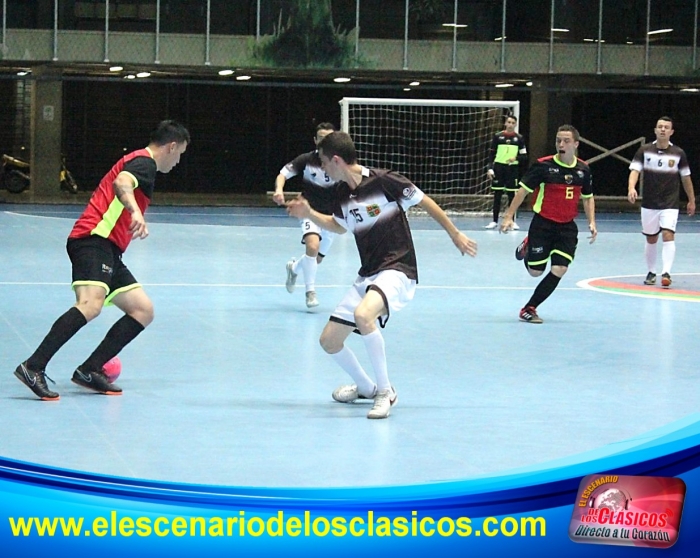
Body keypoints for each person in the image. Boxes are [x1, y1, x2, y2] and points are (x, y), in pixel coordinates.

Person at [287, 132, 477, 419]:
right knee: (329, 341)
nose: (322, 169)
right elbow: (339, 226)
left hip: (398, 268)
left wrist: (455, 233)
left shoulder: (384, 181)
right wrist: (309, 213)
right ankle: (366, 387)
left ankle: (386, 392)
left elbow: (425, 201)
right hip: (368, 274)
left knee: (364, 317)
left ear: (336, 160)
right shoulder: (341, 193)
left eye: (324, 162)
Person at [13, 120, 190, 400]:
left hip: (110, 250)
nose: (178, 161)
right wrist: (135, 212)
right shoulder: (144, 162)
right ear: (171, 146)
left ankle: (90, 369)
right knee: (90, 305)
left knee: (142, 310)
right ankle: (33, 366)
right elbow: (122, 183)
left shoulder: (140, 161)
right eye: (180, 153)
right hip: (93, 240)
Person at [500, 124, 596, 324]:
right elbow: (523, 191)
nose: (561, 144)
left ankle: (529, 308)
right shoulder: (543, 166)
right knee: (535, 272)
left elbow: (588, 197)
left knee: (560, 269)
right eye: (558, 140)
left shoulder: (583, 169)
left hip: (567, 227)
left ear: (576, 144)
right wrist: (509, 216)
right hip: (543, 225)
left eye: (566, 141)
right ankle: (528, 246)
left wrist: (592, 222)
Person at [273, 122, 339, 309]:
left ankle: (294, 268)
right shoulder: (307, 159)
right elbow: (282, 174)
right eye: (321, 138)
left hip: (331, 217)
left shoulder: (339, 162)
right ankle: (310, 293)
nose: (324, 141)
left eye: (328, 137)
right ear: (315, 140)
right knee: (312, 246)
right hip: (308, 211)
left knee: (315, 259)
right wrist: (279, 190)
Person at [627, 116, 695, 288]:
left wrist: (691, 200)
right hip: (649, 203)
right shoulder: (644, 150)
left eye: (666, 127)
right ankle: (651, 271)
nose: (663, 129)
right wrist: (631, 188)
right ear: (655, 130)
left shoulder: (678, 153)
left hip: (670, 203)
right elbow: (634, 171)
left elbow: (686, 178)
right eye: (660, 127)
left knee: (668, 234)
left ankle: (666, 273)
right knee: (651, 238)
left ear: (671, 132)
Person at [485, 114, 528, 230]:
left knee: (511, 196)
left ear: (515, 124)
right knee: (497, 196)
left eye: (513, 123)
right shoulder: (498, 137)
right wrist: (490, 168)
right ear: (505, 123)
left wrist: (516, 158)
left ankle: (512, 221)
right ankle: (494, 221)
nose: (510, 125)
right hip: (499, 168)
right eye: (508, 122)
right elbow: (491, 155)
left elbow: (524, 156)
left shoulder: (519, 138)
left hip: (512, 169)